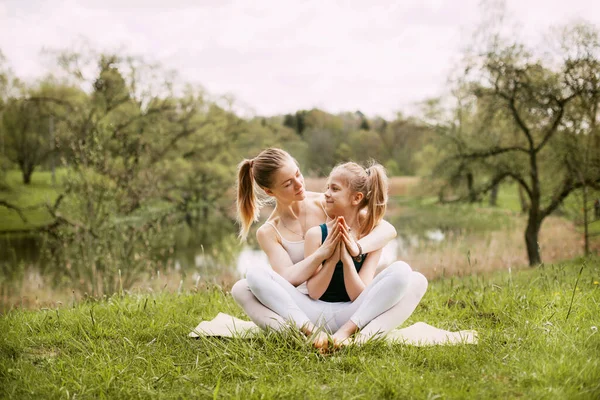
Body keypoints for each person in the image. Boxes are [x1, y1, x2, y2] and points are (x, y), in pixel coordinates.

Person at [232, 148, 427, 347]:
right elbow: (286, 279)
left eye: (298, 174)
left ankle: (358, 338)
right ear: (269, 191)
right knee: (243, 286)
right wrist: (321, 255)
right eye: (288, 183)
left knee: (416, 280)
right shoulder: (268, 232)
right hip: (305, 307)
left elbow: (384, 228)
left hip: (355, 308)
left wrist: (356, 248)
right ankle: (306, 334)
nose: (299, 184)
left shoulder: (328, 201)